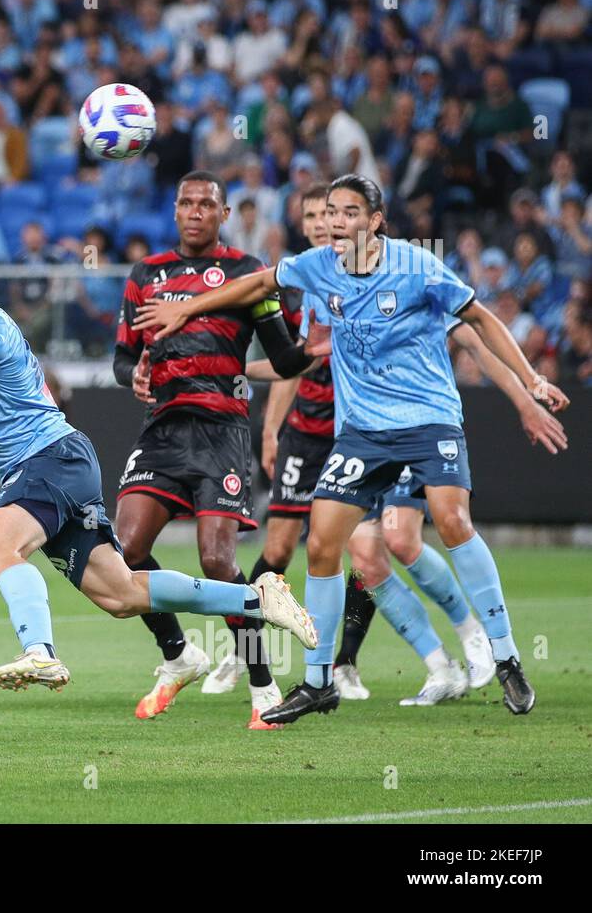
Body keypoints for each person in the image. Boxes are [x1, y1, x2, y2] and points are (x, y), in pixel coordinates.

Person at [135, 174, 570, 722]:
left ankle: (505, 656)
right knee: (322, 545)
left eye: (348, 213)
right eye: (330, 213)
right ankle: (320, 681)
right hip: (361, 431)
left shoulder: (416, 266)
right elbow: (256, 285)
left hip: (428, 417)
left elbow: (478, 320)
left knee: (450, 520)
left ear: (375, 220)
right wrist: (188, 310)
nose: (337, 223)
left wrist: (529, 384)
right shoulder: (317, 267)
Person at [0, 254, 315, 692]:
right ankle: (258, 599)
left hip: (49, 458)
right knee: (121, 595)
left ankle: (39, 651)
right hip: (59, 463)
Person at [112, 170, 315, 729]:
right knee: (122, 551)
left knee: (218, 564)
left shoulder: (248, 273)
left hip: (222, 431)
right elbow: (122, 357)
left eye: (207, 203)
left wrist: (312, 352)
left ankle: (262, 686)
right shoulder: (144, 275)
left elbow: (284, 357)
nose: (196, 210)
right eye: (186, 202)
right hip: (163, 429)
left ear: (224, 215)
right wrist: (134, 376)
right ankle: (179, 655)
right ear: (174, 211)